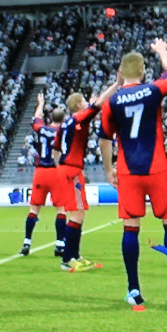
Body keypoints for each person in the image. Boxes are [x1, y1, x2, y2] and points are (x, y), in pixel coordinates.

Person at [99, 39, 167, 306]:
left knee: (130, 228)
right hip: (156, 168)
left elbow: (104, 138)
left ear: (121, 73)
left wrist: (109, 170)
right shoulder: (152, 90)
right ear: (143, 71)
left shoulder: (112, 102)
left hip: (128, 171)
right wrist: (162, 50)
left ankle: (134, 290)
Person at [54, 77, 122, 271]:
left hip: (68, 169)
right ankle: (68, 259)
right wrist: (117, 84)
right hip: (72, 170)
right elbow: (99, 104)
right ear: (78, 105)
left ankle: (75, 255)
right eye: (83, 100)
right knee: (77, 214)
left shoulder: (65, 124)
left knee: (79, 213)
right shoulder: (79, 118)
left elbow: (56, 150)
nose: (86, 103)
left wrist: (60, 169)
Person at [19, 93, 67, 257]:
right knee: (61, 209)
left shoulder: (42, 128)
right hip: (56, 171)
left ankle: (27, 242)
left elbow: (36, 118)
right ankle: (60, 244)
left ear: (50, 118)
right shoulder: (63, 131)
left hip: (40, 172)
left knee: (34, 209)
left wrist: (40, 103)